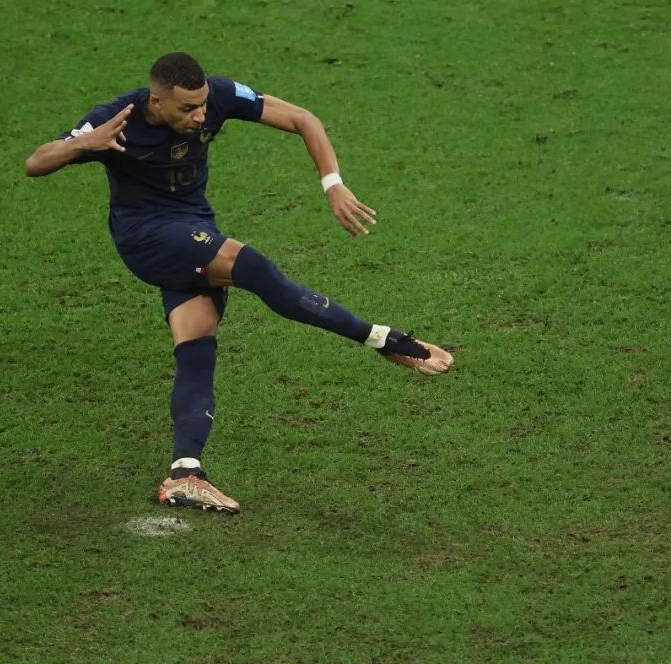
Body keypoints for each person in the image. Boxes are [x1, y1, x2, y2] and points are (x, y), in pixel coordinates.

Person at [24, 52, 453, 514]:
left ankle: (184, 473)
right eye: (187, 108)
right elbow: (35, 162)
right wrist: (83, 144)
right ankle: (383, 340)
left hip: (194, 227)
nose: (200, 116)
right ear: (157, 101)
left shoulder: (218, 96)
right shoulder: (117, 119)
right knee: (256, 269)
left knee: (197, 348)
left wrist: (333, 183)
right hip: (147, 238)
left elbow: (303, 119)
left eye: (202, 104)